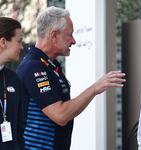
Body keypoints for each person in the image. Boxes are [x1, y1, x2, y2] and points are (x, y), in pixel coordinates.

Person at [16, 6, 126, 150]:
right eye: (70, 35)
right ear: (54, 35)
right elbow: (61, 115)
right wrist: (95, 88)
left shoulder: (49, 65)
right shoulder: (34, 68)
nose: (73, 41)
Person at [0, 17, 25, 149]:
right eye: (19, 41)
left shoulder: (13, 78)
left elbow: (19, 129)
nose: (21, 47)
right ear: (3, 42)